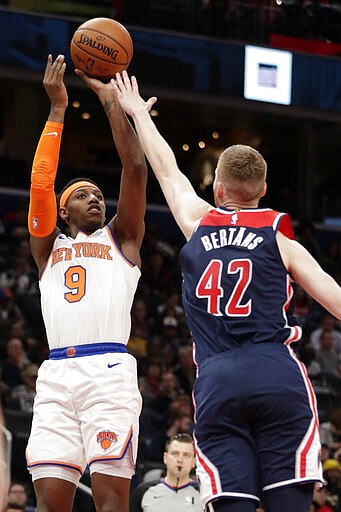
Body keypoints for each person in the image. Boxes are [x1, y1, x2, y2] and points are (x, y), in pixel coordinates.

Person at [112, 71, 341, 512]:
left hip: (217, 379)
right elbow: (334, 299)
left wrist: (139, 112)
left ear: (217, 189)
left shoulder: (198, 220)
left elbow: (166, 168)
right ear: (264, 193)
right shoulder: (281, 239)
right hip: (277, 373)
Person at [25, 55, 150, 512]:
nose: (95, 197)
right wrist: (57, 110)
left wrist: (110, 102)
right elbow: (41, 185)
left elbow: (134, 169)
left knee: (111, 503)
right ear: (63, 212)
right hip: (56, 374)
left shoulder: (123, 239)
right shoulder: (47, 249)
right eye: (81, 195)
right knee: (50, 504)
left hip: (109, 372)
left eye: (98, 194)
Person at [131, 433, 201, 512]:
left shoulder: (203, 494)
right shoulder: (143, 492)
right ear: (165, 458)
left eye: (186, 455)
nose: (180, 460)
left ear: (194, 462)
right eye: (175, 454)